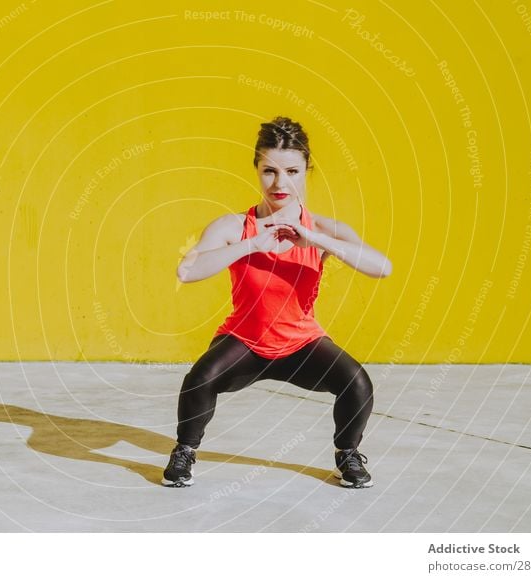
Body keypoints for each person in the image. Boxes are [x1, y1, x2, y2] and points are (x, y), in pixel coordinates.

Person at [162, 116, 392, 489]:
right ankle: (185, 451)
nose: (279, 183)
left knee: (357, 383)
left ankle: (347, 454)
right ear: (257, 169)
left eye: (291, 171)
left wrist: (314, 241)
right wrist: (251, 244)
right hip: (246, 340)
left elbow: (383, 267)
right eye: (269, 170)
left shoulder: (323, 231)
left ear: (306, 171)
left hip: (301, 343)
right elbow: (187, 271)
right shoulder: (233, 226)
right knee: (199, 381)